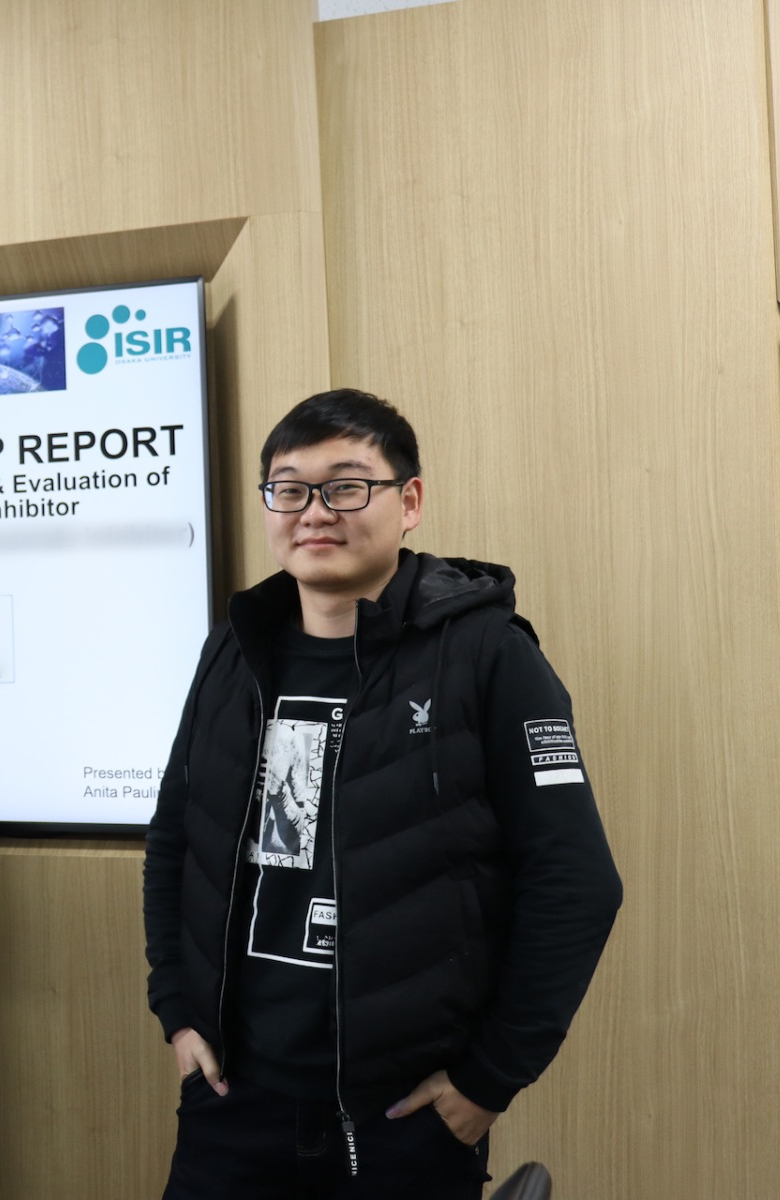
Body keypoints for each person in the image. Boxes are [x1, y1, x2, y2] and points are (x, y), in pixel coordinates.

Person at [142, 389, 623, 1198]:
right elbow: (174, 841)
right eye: (289, 489)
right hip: (232, 1099)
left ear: (411, 501)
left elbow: (577, 882)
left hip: (400, 1120)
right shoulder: (232, 651)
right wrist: (177, 1013)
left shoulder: (487, 655)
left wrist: (489, 1080)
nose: (314, 511)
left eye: (347, 485)